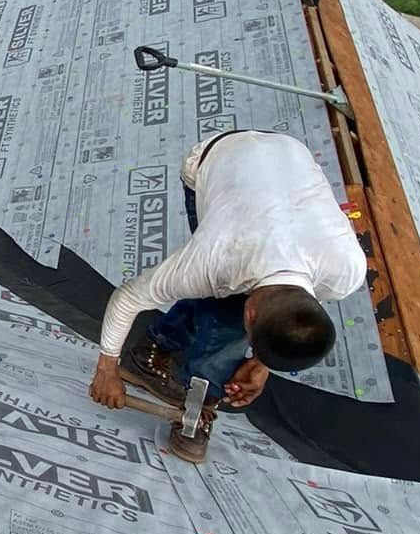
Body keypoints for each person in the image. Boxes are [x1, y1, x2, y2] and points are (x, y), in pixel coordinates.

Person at [89, 130, 367, 429]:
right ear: (250, 312)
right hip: (214, 157)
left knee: (218, 295)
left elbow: (293, 316)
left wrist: (263, 363)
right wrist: (106, 369)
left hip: (286, 153)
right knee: (224, 321)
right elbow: (128, 298)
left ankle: (155, 348)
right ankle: (201, 395)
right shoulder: (214, 257)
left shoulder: (345, 270)